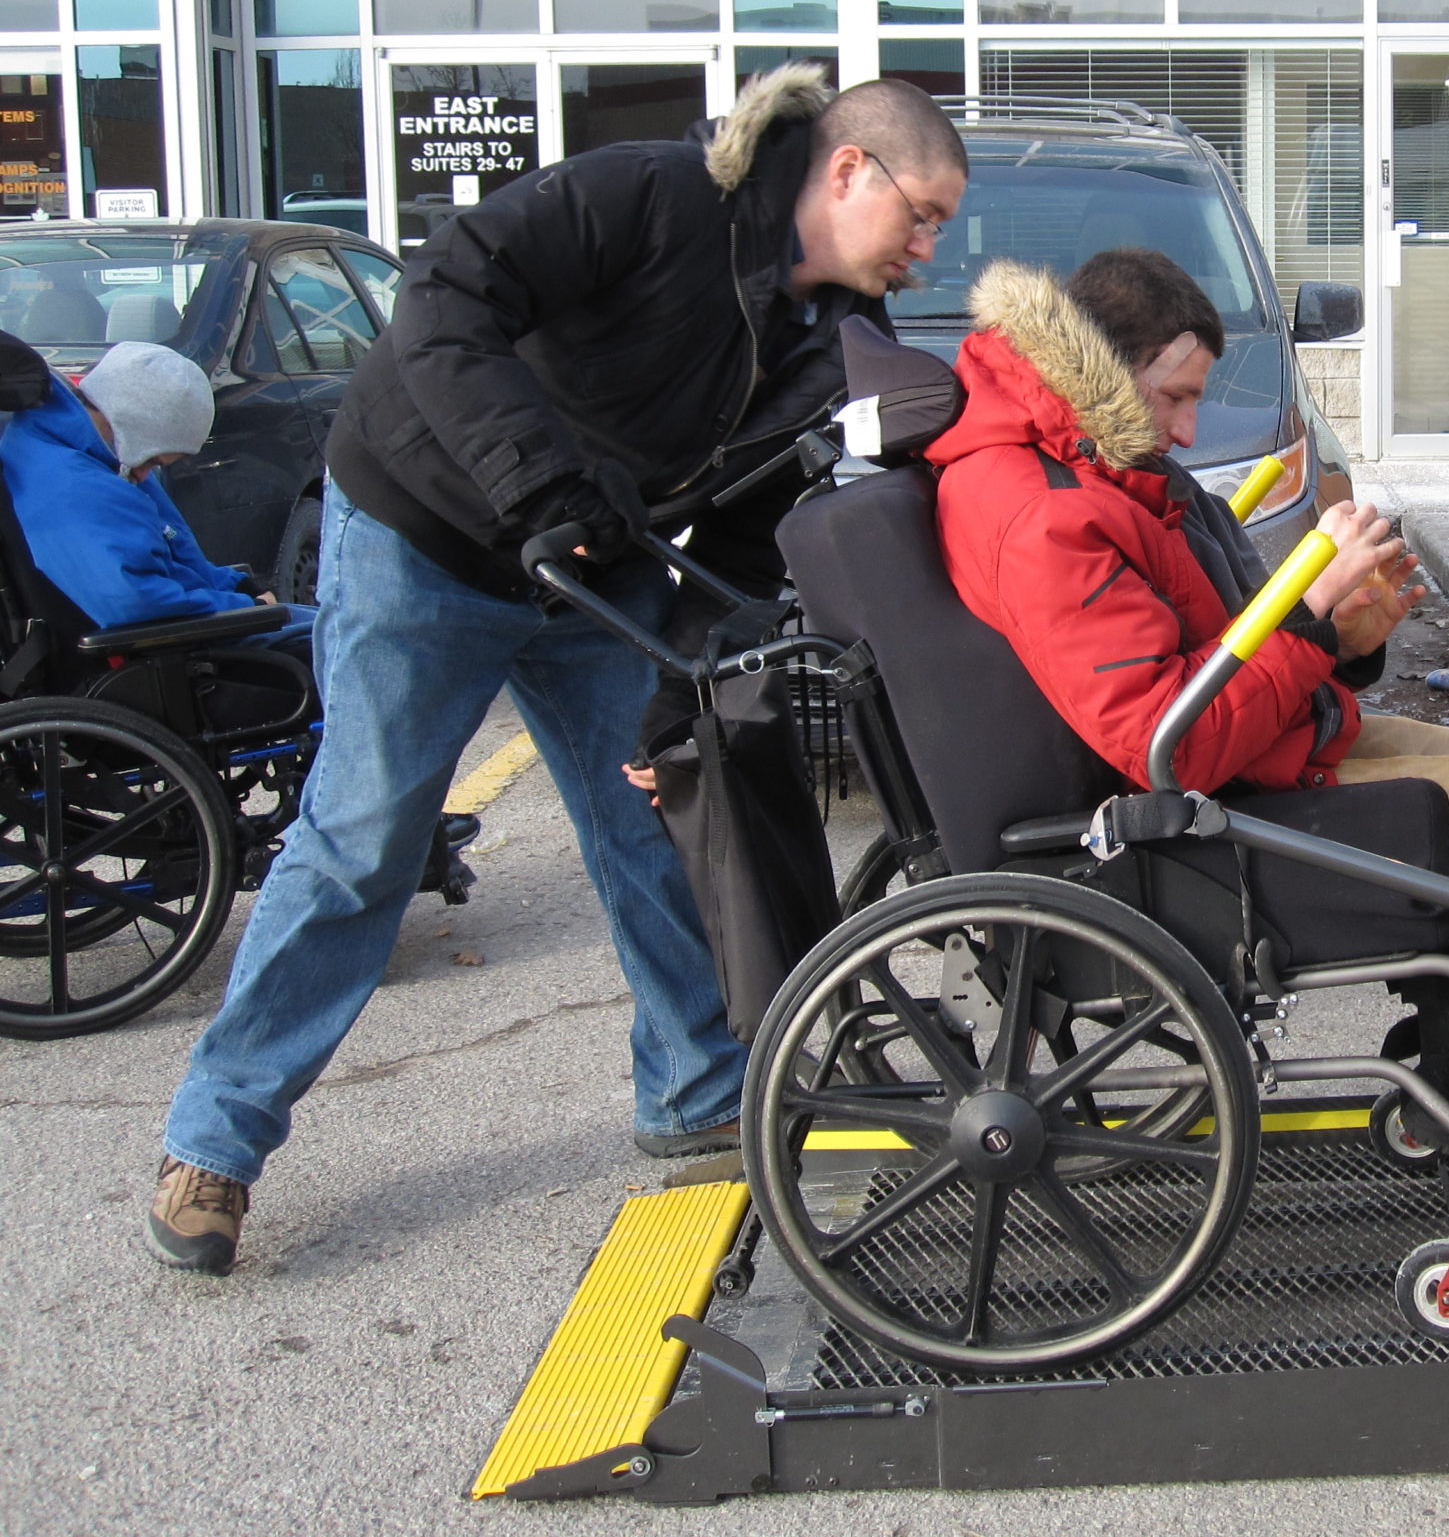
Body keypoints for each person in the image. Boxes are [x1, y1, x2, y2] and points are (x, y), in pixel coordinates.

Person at [147, 70, 969, 1276]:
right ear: (850, 171)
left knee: (655, 815)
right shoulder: (652, 197)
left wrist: (672, 695)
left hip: (591, 564)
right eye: (926, 216)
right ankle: (213, 1141)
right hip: (423, 528)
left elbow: (742, 545)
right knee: (366, 838)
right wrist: (535, 483)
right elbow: (441, 298)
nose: (930, 250)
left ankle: (698, 1089)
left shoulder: (832, 348)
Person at [927, 247, 1449, 1167]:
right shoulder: (1048, 514)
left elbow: (1199, 661)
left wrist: (1343, 637)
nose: (1189, 430)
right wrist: (1314, 617)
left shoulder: (1079, 474)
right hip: (1194, 811)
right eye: (1174, 398)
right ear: (1103, 372)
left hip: (1252, 751)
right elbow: (1173, 742)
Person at [0, 338, 312, 649]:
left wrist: (238, 589)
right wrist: (246, 609)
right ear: (130, 427)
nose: (144, 474)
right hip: (170, 650)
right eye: (151, 460)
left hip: (186, 624)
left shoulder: (90, 452)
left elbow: (176, 551)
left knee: (329, 630)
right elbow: (131, 602)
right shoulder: (73, 485)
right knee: (335, 648)